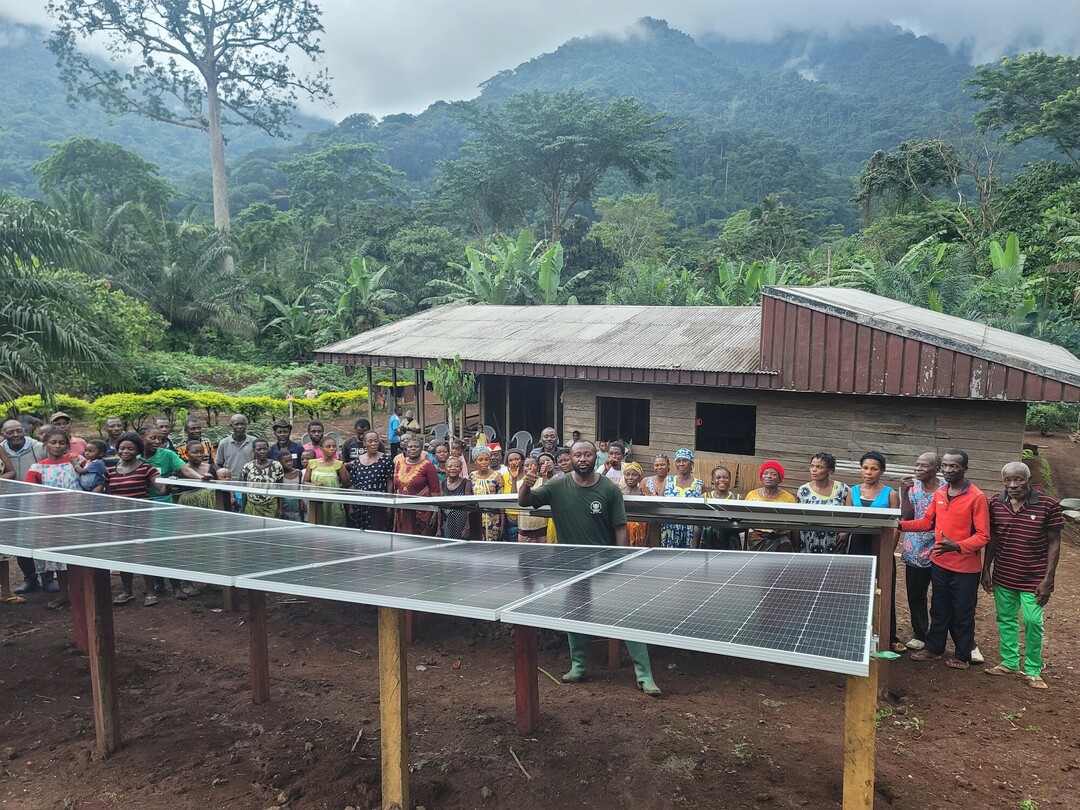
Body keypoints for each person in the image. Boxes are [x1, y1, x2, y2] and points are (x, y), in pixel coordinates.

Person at [518, 439, 661, 696]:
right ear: (570, 458)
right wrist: (525, 486)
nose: (582, 459)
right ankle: (579, 666)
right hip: (571, 563)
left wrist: (620, 561)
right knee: (573, 610)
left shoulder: (609, 490)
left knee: (624, 613)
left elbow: (620, 528)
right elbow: (525, 502)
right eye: (577, 455)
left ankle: (644, 675)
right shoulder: (557, 485)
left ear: (597, 457)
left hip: (604, 562)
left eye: (587, 454)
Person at [903, 449, 990, 670]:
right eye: (946, 466)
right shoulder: (941, 493)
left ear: (965, 469)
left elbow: (983, 536)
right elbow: (926, 522)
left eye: (954, 466)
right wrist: (897, 525)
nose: (949, 470)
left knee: (962, 612)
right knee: (939, 608)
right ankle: (934, 648)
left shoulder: (977, 497)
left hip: (965, 568)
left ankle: (962, 655)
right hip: (940, 563)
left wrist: (958, 546)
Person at [982, 462, 1063, 689]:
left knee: (1032, 621)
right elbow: (993, 538)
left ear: (1028, 480)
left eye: (1018, 480)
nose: (1013, 485)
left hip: (1034, 579)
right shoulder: (996, 503)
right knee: (1005, 619)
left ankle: (1033, 669)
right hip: (1004, 575)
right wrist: (985, 569)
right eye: (1008, 480)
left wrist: (1048, 579)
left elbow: (1054, 543)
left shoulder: (1048, 505)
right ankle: (1009, 661)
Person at [106, 432, 169, 605]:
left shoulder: (146, 468)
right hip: (120, 519)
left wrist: (169, 485)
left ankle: (150, 592)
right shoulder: (110, 471)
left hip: (142, 517)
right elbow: (109, 496)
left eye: (131, 448)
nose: (126, 451)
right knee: (124, 554)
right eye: (122, 448)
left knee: (143, 553)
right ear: (117, 450)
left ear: (138, 450)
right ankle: (127, 591)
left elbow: (162, 488)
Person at [23, 426, 79, 609]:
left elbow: (93, 479)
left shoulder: (77, 462)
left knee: (76, 558)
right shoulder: (37, 468)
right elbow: (29, 492)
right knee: (60, 559)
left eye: (62, 443)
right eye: (53, 442)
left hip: (77, 516)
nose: (57, 446)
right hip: (50, 518)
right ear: (46, 445)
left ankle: (80, 595)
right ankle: (64, 595)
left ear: (67, 445)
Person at [899, 453, 944, 651]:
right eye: (917, 465)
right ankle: (920, 634)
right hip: (914, 548)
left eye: (924, 466)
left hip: (941, 549)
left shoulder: (946, 488)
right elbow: (906, 516)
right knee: (916, 595)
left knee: (941, 597)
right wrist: (904, 492)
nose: (918, 469)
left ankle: (938, 635)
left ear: (937, 469)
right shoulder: (911, 487)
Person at [3, 419, 47, 593]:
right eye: (10, 432)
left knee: (43, 540)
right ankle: (30, 579)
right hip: (11, 503)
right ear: (3, 434)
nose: (15, 435)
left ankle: (48, 578)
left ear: (24, 430)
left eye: (18, 431)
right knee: (20, 543)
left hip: (39, 501)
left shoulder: (39, 447)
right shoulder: (1, 449)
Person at [796, 452, 850, 553]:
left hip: (835, 539)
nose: (814, 470)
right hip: (810, 538)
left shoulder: (842, 489)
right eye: (812, 466)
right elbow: (799, 517)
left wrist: (845, 531)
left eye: (819, 467)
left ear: (829, 470)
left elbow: (850, 513)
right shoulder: (803, 491)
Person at [745, 461, 798, 551]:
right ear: (761, 477)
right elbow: (745, 519)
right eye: (765, 473)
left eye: (773, 474)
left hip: (781, 542)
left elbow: (795, 525)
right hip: (756, 541)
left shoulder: (788, 498)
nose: (768, 476)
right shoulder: (752, 495)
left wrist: (797, 549)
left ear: (779, 478)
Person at [346, 431, 394, 530]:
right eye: (370, 441)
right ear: (364, 443)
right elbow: (353, 484)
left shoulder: (386, 459)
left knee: (378, 532)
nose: (373, 444)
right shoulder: (358, 461)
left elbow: (390, 482)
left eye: (376, 441)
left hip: (379, 504)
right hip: (361, 504)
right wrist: (350, 505)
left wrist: (389, 505)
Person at [393, 436, 441, 535]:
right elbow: (396, 486)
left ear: (421, 449)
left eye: (416, 446)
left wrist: (435, 512)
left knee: (419, 540)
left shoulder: (428, 465)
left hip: (422, 512)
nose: (413, 449)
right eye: (410, 447)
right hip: (402, 509)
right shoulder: (399, 463)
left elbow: (435, 490)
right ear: (405, 449)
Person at [661, 448, 703, 549]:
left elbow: (702, 510)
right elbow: (661, 503)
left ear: (691, 463)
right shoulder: (668, 481)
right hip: (669, 527)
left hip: (690, 529)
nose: (681, 464)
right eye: (678, 461)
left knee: (688, 560)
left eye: (685, 460)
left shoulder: (699, 484)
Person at [303, 435, 349, 526]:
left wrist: (334, 490)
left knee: (335, 527)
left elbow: (346, 485)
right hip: (317, 503)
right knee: (317, 528)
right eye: (328, 447)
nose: (332, 449)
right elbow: (304, 482)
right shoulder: (312, 464)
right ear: (321, 448)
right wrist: (313, 485)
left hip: (333, 504)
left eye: (334, 446)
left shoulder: (339, 465)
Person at [699, 466, 743, 551]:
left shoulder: (737, 498)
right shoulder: (704, 498)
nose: (722, 480)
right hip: (708, 539)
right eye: (718, 477)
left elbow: (744, 524)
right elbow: (697, 524)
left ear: (730, 480)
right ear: (712, 480)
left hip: (730, 540)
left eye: (725, 477)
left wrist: (730, 526)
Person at [240, 439, 285, 518]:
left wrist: (280, 509)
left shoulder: (276, 466)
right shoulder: (248, 467)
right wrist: (243, 508)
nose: (262, 451)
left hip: (270, 507)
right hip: (252, 506)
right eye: (259, 449)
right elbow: (245, 490)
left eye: (265, 449)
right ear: (253, 450)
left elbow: (280, 488)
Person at [469, 446, 506, 541]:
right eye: (480, 460)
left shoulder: (497, 476)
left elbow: (502, 501)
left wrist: (502, 524)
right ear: (475, 461)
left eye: (486, 459)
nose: (484, 462)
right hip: (476, 517)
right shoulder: (472, 476)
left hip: (494, 518)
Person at [176, 439, 218, 510]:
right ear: (186, 453)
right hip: (187, 509)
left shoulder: (210, 468)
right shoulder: (181, 471)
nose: (199, 455)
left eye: (202, 452)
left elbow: (217, 489)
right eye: (195, 452)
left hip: (207, 508)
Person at [516, 457, 550, 543]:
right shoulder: (519, 483)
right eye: (527, 465)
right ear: (523, 468)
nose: (530, 467)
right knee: (525, 554)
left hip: (541, 527)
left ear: (538, 467)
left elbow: (545, 491)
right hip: (525, 527)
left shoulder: (543, 480)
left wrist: (545, 475)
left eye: (533, 465)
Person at [438, 456, 472, 540]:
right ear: (445, 469)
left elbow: (469, 506)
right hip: (446, 521)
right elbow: (440, 507)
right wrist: (438, 528)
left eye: (456, 466)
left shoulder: (465, 483)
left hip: (461, 521)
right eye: (450, 466)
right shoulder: (442, 483)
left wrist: (467, 526)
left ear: (460, 469)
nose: (453, 468)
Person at [641, 453, 670, 547]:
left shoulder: (672, 482)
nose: (659, 467)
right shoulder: (646, 481)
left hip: (667, 521)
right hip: (650, 521)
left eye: (662, 464)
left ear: (668, 466)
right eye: (657, 465)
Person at [619, 461, 649, 547]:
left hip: (640, 533)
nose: (630, 477)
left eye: (634, 475)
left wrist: (647, 538)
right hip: (622, 531)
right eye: (627, 474)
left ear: (639, 477)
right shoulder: (617, 493)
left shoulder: (645, 493)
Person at [502, 448, 527, 542]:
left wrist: (515, 479)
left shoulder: (528, 477)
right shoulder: (503, 477)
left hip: (525, 518)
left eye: (517, 459)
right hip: (510, 519)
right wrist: (513, 478)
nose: (514, 462)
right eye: (510, 460)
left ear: (522, 461)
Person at [278, 452, 306, 523]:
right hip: (284, 504)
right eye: (286, 461)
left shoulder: (298, 473)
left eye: (291, 460)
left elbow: (300, 488)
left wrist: (301, 501)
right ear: (280, 462)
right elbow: (279, 492)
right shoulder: (280, 475)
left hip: (296, 504)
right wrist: (280, 509)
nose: (289, 463)